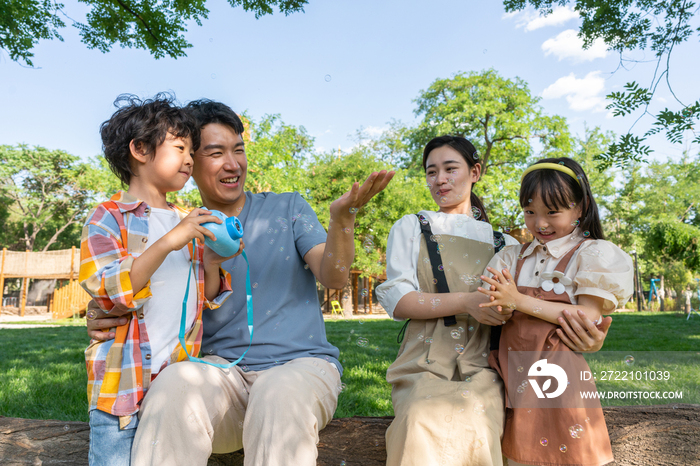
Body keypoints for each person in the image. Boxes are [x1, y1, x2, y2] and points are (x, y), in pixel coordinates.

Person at [87, 99, 394, 466]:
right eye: (214, 152)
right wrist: (100, 310)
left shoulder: (288, 208)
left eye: (239, 150)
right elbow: (148, 288)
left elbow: (334, 276)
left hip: (299, 369)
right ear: (190, 163)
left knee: (278, 395)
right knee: (173, 386)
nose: (233, 164)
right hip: (220, 375)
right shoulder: (185, 226)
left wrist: (343, 220)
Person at [376, 137, 612, 466]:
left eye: (450, 168)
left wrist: (585, 332)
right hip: (424, 359)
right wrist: (469, 302)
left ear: (475, 171)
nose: (440, 179)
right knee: (419, 417)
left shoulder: (506, 244)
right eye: (431, 172)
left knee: (477, 420)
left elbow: (532, 308)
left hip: (487, 364)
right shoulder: (412, 227)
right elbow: (399, 301)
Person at [79, 94, 238, 465]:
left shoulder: (191, 220)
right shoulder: (108, 218)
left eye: (191, 151)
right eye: (180, 148)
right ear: (139, 149)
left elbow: (208, 297)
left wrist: (211, 262)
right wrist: (170, 241)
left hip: (177, 386)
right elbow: (109, 291)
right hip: (122, 388)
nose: (189, 159)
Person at [478, 157, 634, 466]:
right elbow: (492, 307)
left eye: (552, 212)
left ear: (580, 207)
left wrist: (518, 301)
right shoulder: (511, 257)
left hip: (558, 380)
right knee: (517, 454)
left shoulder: (591, 254)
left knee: (565, 453)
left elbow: (587, 315)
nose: (540, 223)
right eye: (530, 212)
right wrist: (499, 309)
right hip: (510, 374)